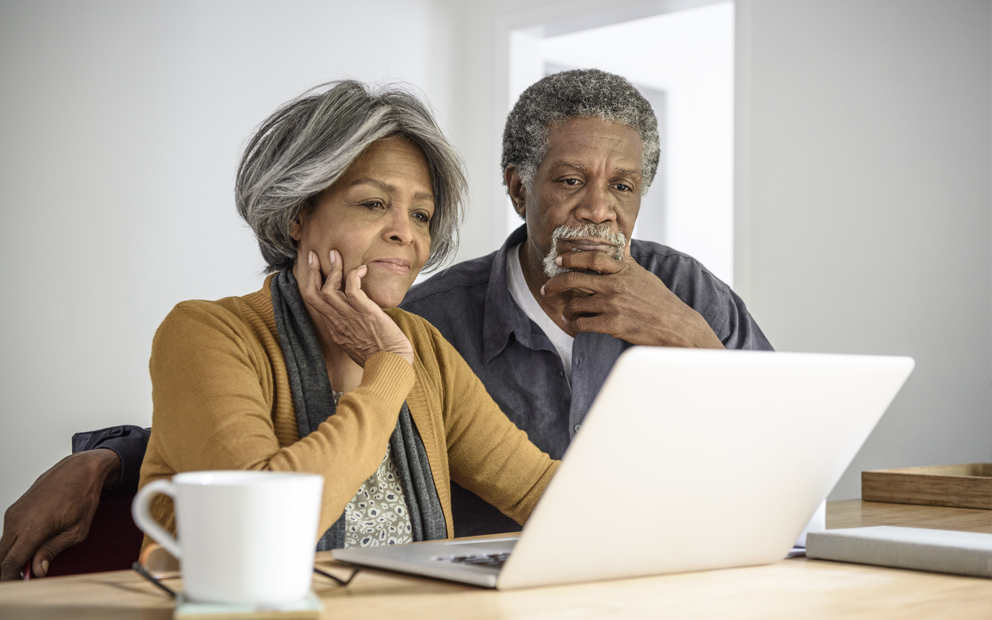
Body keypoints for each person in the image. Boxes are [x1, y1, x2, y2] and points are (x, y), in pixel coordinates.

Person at [1, 69, 771, 580]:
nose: (408, 233)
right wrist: (388, 369)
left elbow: (548, 495)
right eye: (375, 204)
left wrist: (702, 548)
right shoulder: (215, 333)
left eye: (423, 214)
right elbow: (262, 526)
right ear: (300, 211)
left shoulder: (424, 350)